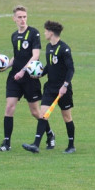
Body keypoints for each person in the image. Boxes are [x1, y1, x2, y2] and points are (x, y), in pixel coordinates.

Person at [0, 5, 54, 152]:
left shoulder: (33, 33)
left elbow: (35, 55)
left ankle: (49, 134)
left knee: (35, 112)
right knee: (9, 107)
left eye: (24, 17)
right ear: (14, 19)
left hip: (29, 78)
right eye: (20, 17)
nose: (22, 20)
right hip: (14, 77)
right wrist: (6, 66)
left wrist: (23, 71)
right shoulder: (14, 36)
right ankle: (6, 143)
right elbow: (17, 56)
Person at [22, 21, 76, 153]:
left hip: (63, 90)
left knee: (67, 117)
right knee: (43, 115)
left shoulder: (64, 49)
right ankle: (35, 144)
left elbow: (71, 69)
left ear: (51, 33)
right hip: (50, 88)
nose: (44, 33)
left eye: (46, 31)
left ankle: (71, 146)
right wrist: (39, 74)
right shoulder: (48, 47)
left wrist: (65, 86)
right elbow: (50, 66)